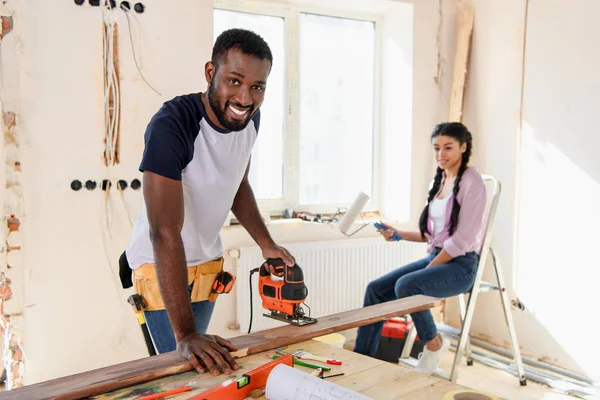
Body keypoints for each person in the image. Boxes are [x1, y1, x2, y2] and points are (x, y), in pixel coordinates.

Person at [120, 28, 295, 377]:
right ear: (210, 72)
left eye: (257, 87)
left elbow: (237, 184)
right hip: (160, 267)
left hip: (204, 265)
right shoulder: (173, 126)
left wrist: (266, 244)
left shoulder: (248, 118)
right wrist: (185, 334)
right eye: (234, 80)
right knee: (182, 372)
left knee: (201, 373)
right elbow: (164, 232)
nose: (245, 98)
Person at [353, 122, 487, 375]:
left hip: (462, 265)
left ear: (463, 147)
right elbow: (430, 236)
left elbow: (463, 240)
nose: (441, 154)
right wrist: (398, 234)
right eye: (437, 148)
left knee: (407, 285)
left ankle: (434, 344)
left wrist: (429, 269)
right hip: (439, 257)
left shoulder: (472, 182)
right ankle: (361, 361)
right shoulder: (438, 183)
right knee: (375, 290)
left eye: (448, 147)